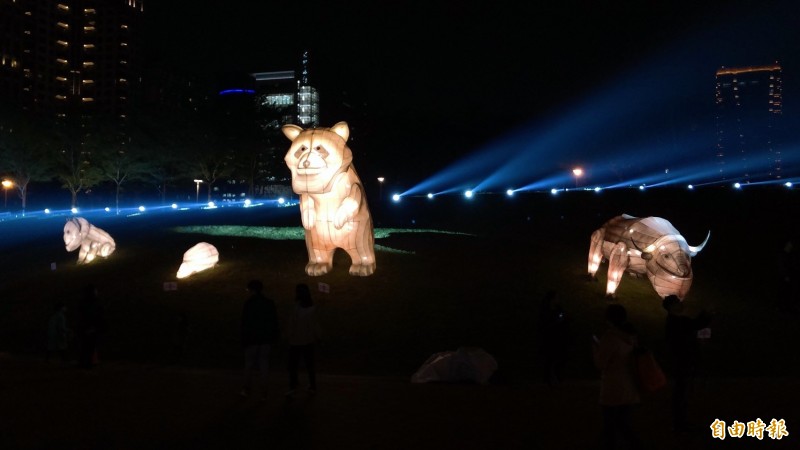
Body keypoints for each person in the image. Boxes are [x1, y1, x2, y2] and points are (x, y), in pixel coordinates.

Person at [592, 303, 643, 450]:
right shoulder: (631, 336)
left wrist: (595, 348)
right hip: (630, 386)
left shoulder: (611, 337)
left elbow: (600, 363)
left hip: (613, 388)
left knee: (611, 425)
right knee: (623, 423)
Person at [663, 294, 712, 432]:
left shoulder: (674, 321)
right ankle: (680, 423)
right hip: (683, 362)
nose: (681, 304)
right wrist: (706, 313)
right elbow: (697, 324)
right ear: (672, 306)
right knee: (681, 393)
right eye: (678, 302)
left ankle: (680, 422)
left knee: (681, 392)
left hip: (681, 361)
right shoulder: (677, 322)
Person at [240, 280, 280, 400]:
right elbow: (274, 321)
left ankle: (246, 389)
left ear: (251, 290)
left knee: (249, 365)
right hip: (265, 338)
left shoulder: (248, 304)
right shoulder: (269, 303)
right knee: (264, 365)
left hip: (252, 338)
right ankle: (263, 391)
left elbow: (245, 322)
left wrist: (244, 337)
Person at [286, 283, 321, 397]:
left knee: (293, 365)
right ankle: (312, 386)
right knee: (309, 365)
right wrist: (318, 337)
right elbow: (314, 325)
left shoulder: (296, 308)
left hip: (296, 341)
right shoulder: (312, 308)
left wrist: (288, 335)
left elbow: (292, 324)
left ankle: (293, 385)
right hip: (308, 341)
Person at [538, 290, 570, 385]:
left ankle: (556, 377)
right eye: (556, 298)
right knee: (549, 359)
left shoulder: (558, 309)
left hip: (557, 337)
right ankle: (547, 379)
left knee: (557, 359)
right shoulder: (546, 310)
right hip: (549, 337)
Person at [77, 284, 105, 370]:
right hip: (90, 327)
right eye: (95, 291)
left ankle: (85, 362)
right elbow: (94, 315)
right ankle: (88, 363)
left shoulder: (83, 303)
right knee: (90, 346)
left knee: (86, 346)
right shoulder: (93, 303)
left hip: (86, 327)